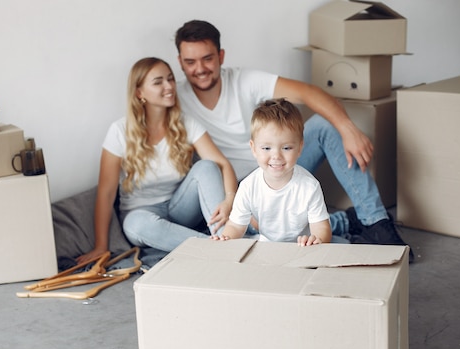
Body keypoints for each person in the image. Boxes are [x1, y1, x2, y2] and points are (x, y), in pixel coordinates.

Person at [173, 20, 413, 261]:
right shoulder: (174, 98)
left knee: (324, 124)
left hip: (278, 164)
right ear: (180, 62)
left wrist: (347, 128)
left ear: (221, 56)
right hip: (236, 188)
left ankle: (376, 222)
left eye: (207, 58)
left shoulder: (244, 80)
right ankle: (341, 222)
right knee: (240, 235)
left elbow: (309, 93)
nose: (200, 68)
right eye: (190, 62)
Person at [76, 57, 237, 264]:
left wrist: (229, 200)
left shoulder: (185, 123)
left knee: (206, 166)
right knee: (136, 225)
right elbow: (106, 194)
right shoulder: (119, 131)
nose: (169, 86)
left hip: (180, 208)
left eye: (170, 79)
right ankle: (219, 248)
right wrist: (100, 246)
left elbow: (222, 164)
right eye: (158, 81)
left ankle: (227, 239)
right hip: (142, 214)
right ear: (139, 92)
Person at [214, 98, 332, 246]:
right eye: (266, 148)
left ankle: (344, 223)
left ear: (300, 148)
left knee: (339, 247)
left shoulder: (310, 186)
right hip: (267, 246)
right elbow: (236, 226)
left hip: (302, 247)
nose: (276, 156)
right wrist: (226, 238)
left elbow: (321, 227)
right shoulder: (248, 186)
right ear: (253, 148)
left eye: (286, 148)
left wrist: (317, 239)